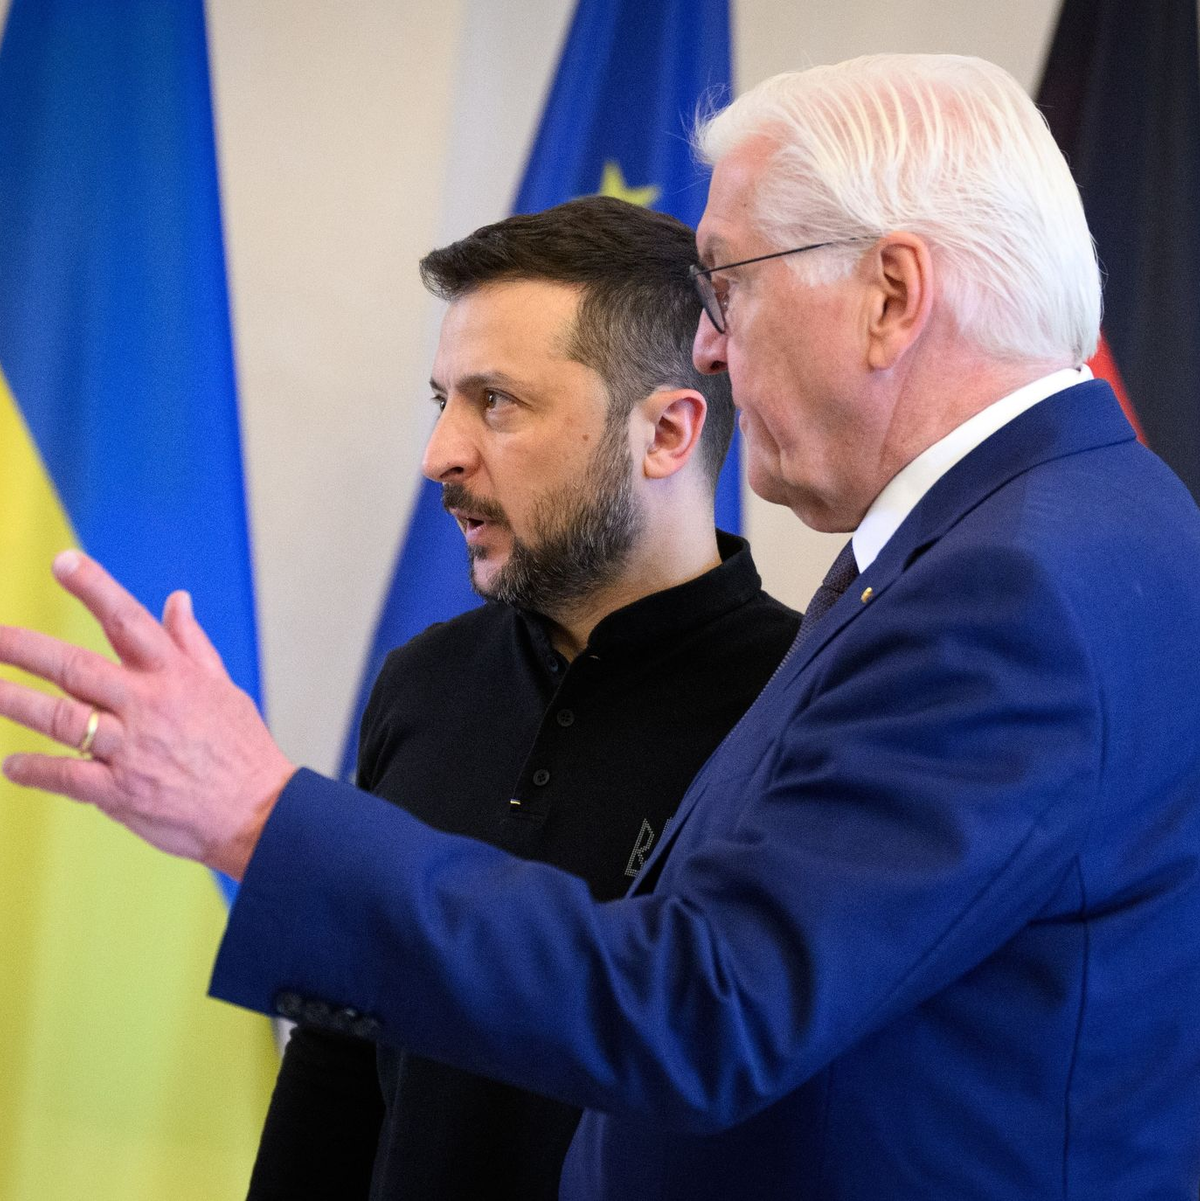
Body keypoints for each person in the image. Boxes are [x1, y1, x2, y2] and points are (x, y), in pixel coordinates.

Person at [2, 52, 1199, 1200]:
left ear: (890, 294)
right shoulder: (1072, 525)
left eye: (728, 286)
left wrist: (260, 816)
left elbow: (708, 1005)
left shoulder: (1013, 583)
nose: (713, 345)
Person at [244, 196, 799, 1199]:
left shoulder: (803, 707)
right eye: (442, 401)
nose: (441, 455)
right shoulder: (422, 681)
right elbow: (339, 1055)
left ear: (669, 431)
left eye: (496, 402)